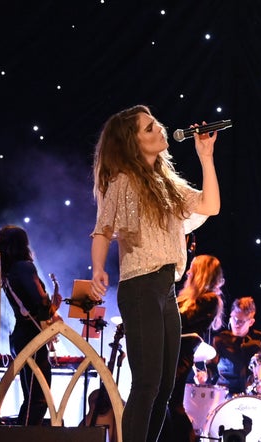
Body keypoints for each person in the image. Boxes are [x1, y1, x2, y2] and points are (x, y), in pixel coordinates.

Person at [90, 105, 221, 442]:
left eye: (156, 124)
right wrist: (98, 269)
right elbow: (103, 229)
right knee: (147, 383)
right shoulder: (123, 181)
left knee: (165, 388)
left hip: (165, 288)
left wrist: (206, 156)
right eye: (149, 128)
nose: (159, 129)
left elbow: (210, 206)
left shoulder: (166, 183)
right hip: (140, 287)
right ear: (133, 144)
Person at [0, 225, 63, 425]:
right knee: (39, 397)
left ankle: (21, 433)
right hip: (32, 336)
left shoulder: (7, 271)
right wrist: (52, 309)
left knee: (31, 396)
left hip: (21, 335)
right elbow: (39, 302)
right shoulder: (24, 267)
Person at [161, 255, 225, 442]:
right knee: (164, 402)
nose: (188, 272)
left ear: (201, 273)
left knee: (172, 403)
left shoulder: (210, 300)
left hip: (181, 356)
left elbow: (182, 321)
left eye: (192, 268)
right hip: (168, 353)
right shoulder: (184, 299)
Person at [196, 296, 261, 396]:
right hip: (225, 394)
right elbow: (211, 368)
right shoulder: (220, 339)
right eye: (234, 319)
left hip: (252, 395)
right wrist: (204, 375)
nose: (236, 324)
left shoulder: (259, 339)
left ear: (251, 322)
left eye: (241, 321)